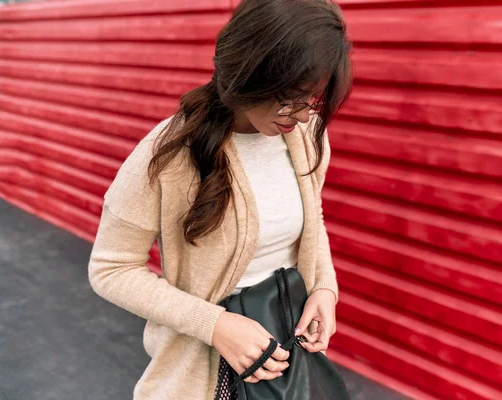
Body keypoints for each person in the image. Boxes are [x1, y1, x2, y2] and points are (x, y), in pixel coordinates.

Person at [87, 0, 353, 398]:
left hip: (287, 366)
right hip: (204, 380)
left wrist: (324, 289)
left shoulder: (306, 137)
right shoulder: (169, 154)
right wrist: (215, 324)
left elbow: (312, 217)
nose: (301, 115)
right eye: (292, 97)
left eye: (313, 99)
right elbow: (111, 268)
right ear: (250, 73)